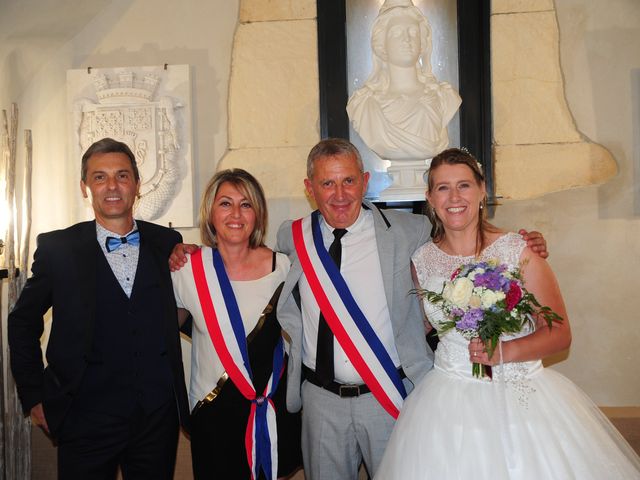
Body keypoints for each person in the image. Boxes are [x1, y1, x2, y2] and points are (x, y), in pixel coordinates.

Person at [169, 139, 548, 480]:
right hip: (319, 402)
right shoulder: (292, 237)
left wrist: (519, 240)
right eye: (327, 183)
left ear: (364, 182)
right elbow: (235, 265)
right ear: (309, 188)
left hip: (388, 394)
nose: (339, 194)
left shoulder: (408, 230)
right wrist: (183, 250)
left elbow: (462, 240)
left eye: (348, 181)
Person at [375, 148, 640, 479]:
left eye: (464, 185)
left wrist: (502, 351)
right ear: (429, 197)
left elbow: (560, 333)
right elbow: (427, 325)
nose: (454, 197)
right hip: (446, 403)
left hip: (521, 397)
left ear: (483, 190)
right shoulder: (422, 261)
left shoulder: (519, 250)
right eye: (443, 187)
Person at [8, 137, 189, 479]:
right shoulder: (57, 248)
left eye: (122, 176)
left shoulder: (167, 243)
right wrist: (33, 397)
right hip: (83, 416)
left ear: (137, 185)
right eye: (100, 177)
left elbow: (185, 309)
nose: (112, 186)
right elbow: (22, 323)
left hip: (155, 418)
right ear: (85, 186)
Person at [171, 169, 302, 479]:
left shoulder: (283, 266)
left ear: (257, 213)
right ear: (210, 212)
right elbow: (162, 331)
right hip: (211, 408)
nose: (236, 214)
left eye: (246, 204)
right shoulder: (187, 268)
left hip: (266, 408)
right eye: (225, 203)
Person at [346, 0, 461, 161]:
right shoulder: (363, 104)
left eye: (413, 33)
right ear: (381, 45)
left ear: (422, 43)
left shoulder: (444, 97)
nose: (407, 39)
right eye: (397, 33)